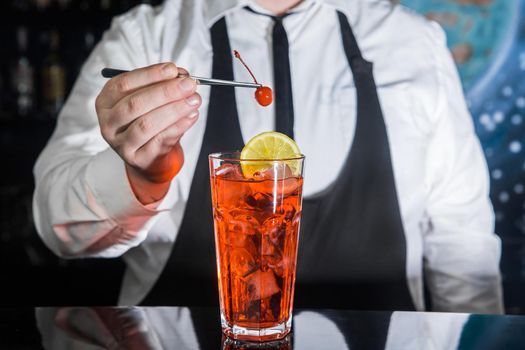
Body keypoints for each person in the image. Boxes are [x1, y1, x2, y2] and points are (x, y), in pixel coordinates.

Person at [33, 0, 503, 312]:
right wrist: (140, 177)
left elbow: (463, 243)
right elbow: (59, 228)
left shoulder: (411, 41)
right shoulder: (148, 36)